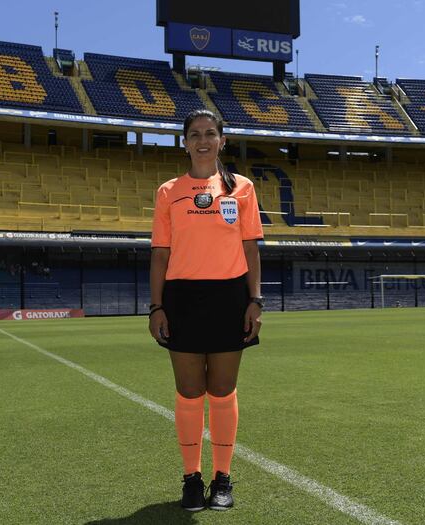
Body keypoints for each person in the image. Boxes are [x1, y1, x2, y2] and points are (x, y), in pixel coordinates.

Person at [148, 109, 264, 512]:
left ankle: (223, 478)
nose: (202, 140)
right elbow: (160, 255)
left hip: (230, 298)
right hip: (181, 299)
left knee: (222, 390)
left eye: (210, 133)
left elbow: (250, 249)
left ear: (222, 140)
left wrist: (255, 300)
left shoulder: (242, 188)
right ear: (184, 142)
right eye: (194, 134)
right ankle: (192, 479)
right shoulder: (168, 192)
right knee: (189, 392)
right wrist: (157, 306)